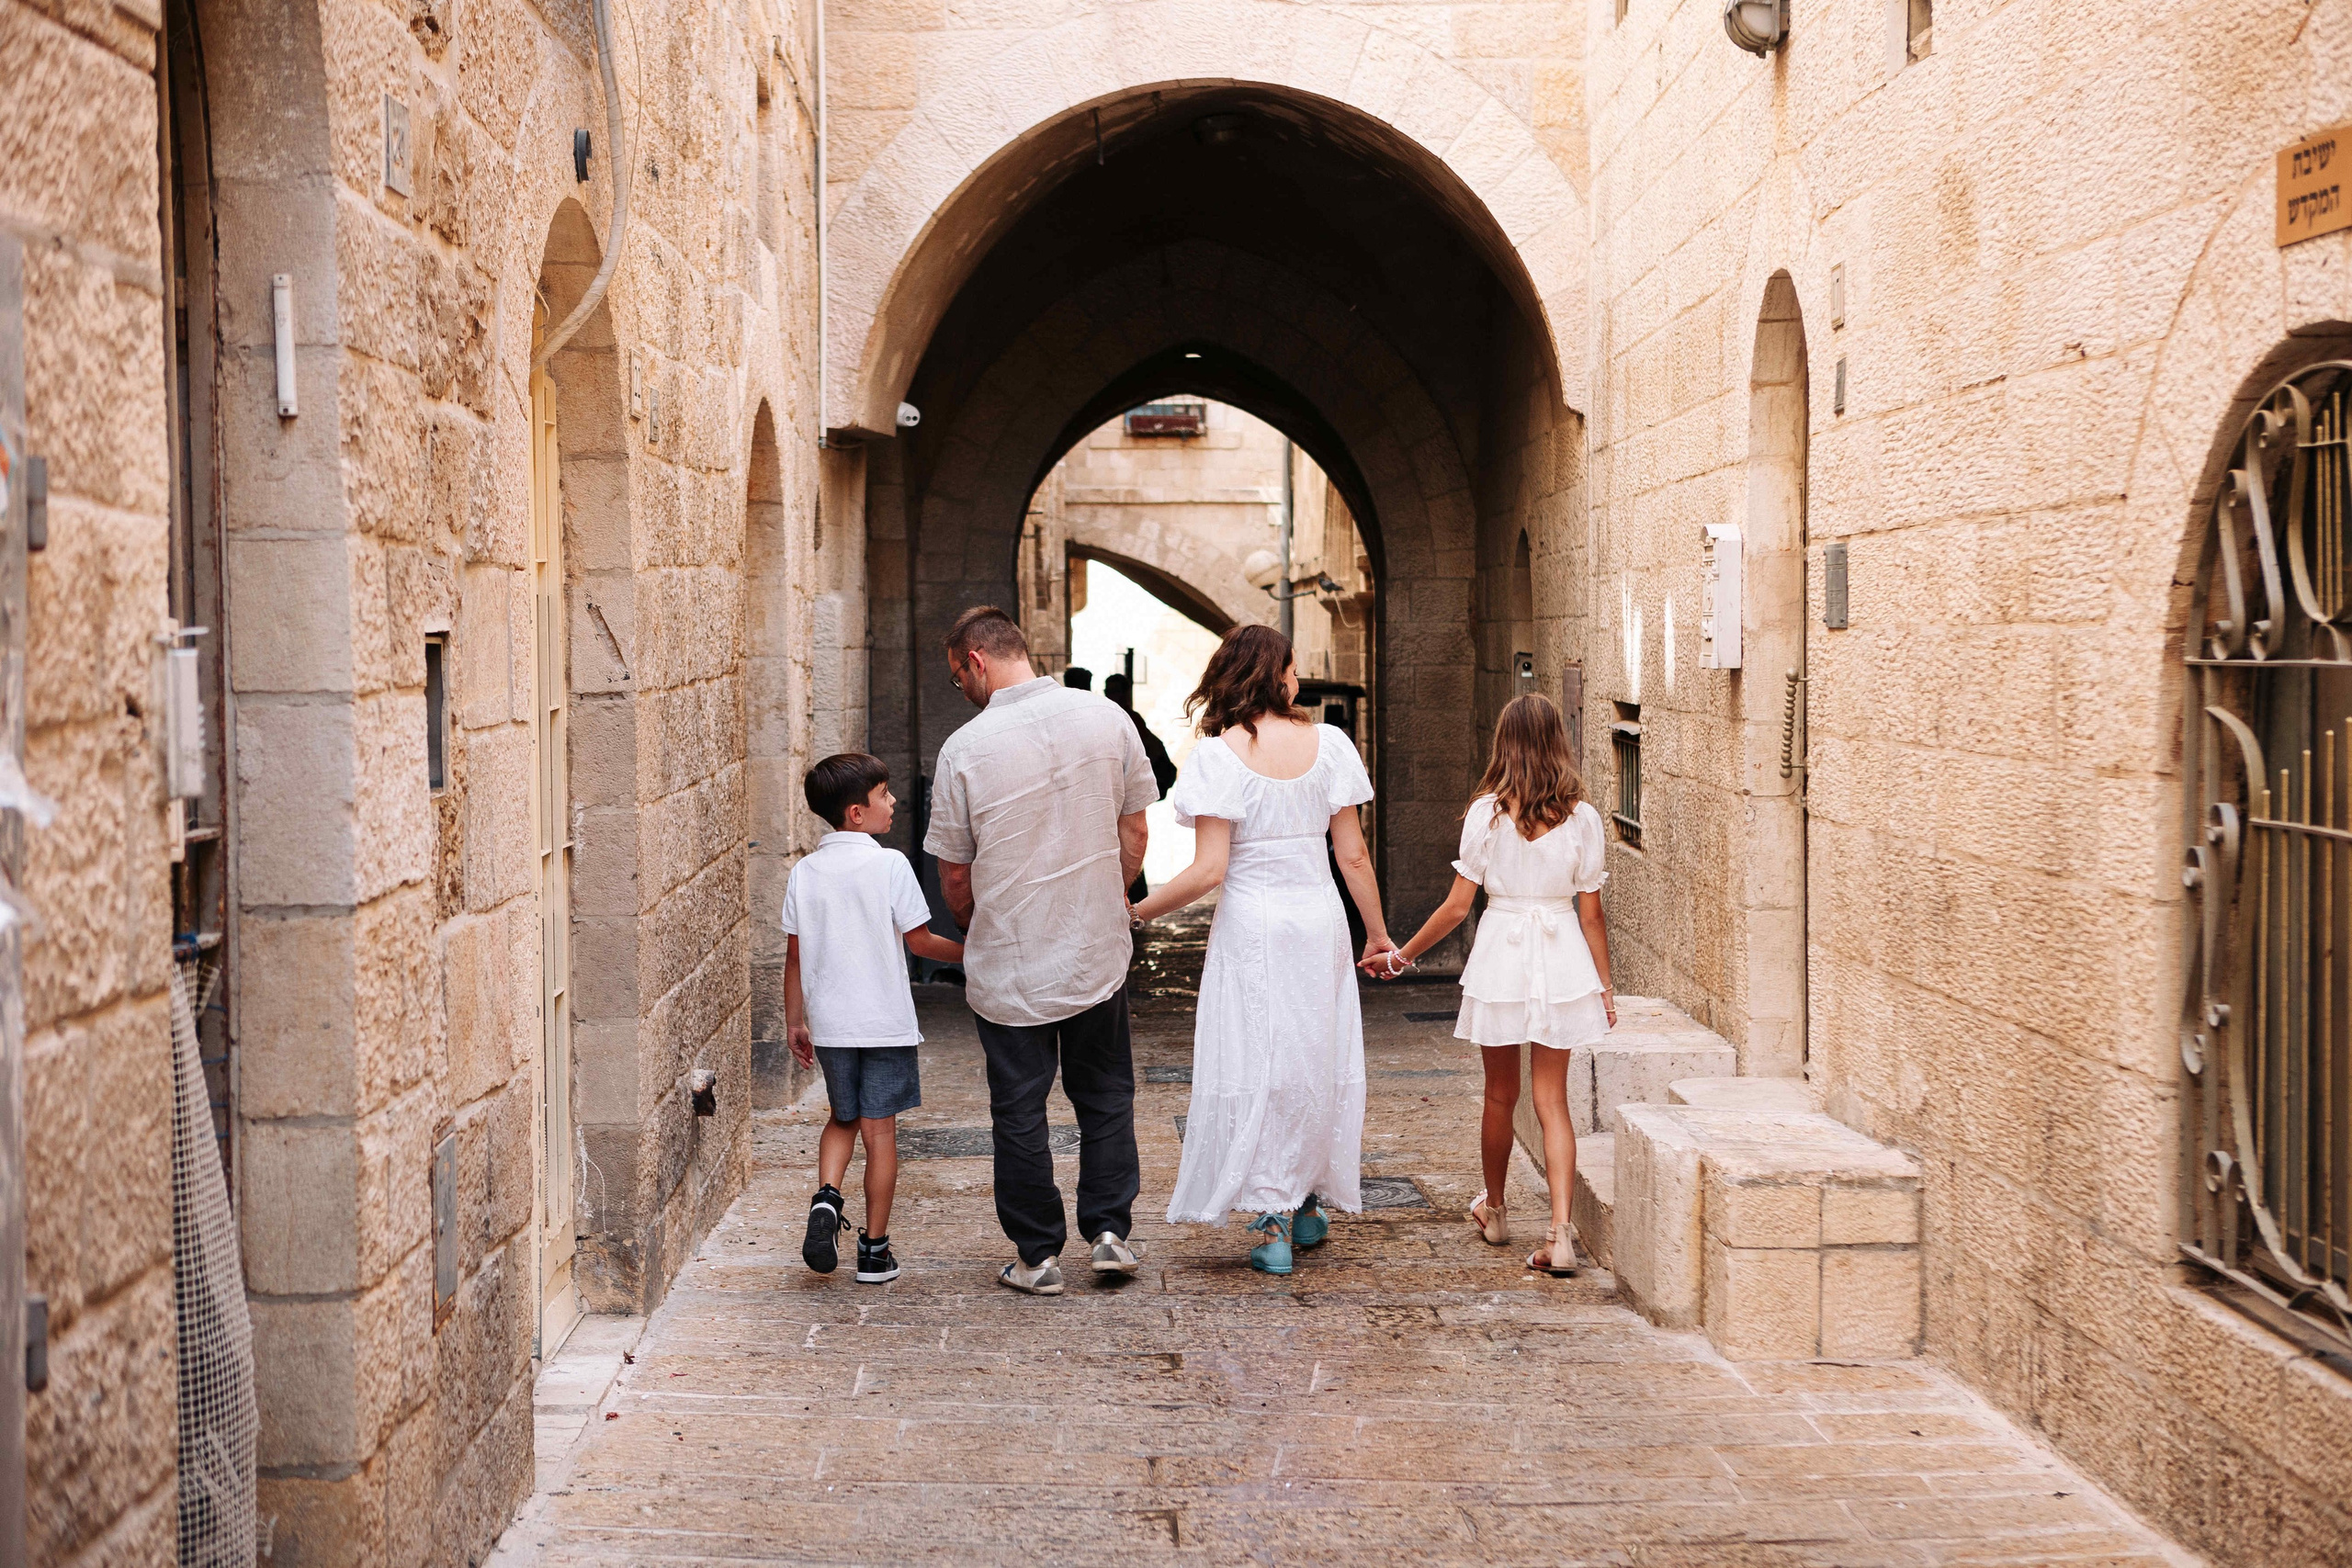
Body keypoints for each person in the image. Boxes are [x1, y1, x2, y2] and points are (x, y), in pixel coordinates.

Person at [1131, 624, 1396, 1275]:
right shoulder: (1330, 744)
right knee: (1314, 1053)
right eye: (1294, 667)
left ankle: (1273, 1221)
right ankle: (1306, 1200)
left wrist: (1136, 911)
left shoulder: (1218, 756)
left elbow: (1208, 870)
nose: (1299, 677)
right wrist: (1379, 932)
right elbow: (1352, 854)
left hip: (1253, 924)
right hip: (1318, 918)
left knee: (1257, 1057)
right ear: (1274, 674)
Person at [925, 606, 1159, 1295]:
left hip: (1012, 961)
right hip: (1095, 951)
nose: (960, 689)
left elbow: (956, 875)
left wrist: (977, 926)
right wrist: (1103, 894)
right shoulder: (1107, 720)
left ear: (976, 660)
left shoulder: (965, 749)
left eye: (955, 676)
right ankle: (1111, 1230)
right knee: (1107, 1092)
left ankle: (1037, 1255)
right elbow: (1137, 830)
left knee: (1019, 1108)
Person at [1370, 693, 1615, 1277]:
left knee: (1500, 1093)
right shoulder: (1583, 818)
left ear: (1503, 744)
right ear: (1559, 743)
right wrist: (1604, 986)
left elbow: (1458, 908)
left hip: (1503, 952)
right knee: (1551, 1100)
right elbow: (1591, 916)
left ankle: (1497, 1209)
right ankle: (1560, 1234)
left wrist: (1402, 957)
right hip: (1561, 953)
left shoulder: (1486, 813)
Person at [785, 753, 966, 1284]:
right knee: (879, 1133)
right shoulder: (890, 865)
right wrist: (976, 955)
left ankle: (826, 1199)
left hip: (833, 1025)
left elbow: (795, 956)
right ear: (857, 813)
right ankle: (874, 1251)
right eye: (884, 795)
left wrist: (797, 1022)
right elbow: (921, 941)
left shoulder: (804, 871)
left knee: (842, 1118)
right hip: (883, 1023)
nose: (894, 802)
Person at [1103, 671, 1177, 902]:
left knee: (1129, 838)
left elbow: (1154, 751)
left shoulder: (1129, 719)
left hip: (1122, 794)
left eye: (1115, 691)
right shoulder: (1111, 716)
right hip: (1110, 794)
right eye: (1110, 691)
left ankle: (1130, 896)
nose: (1112, 695)